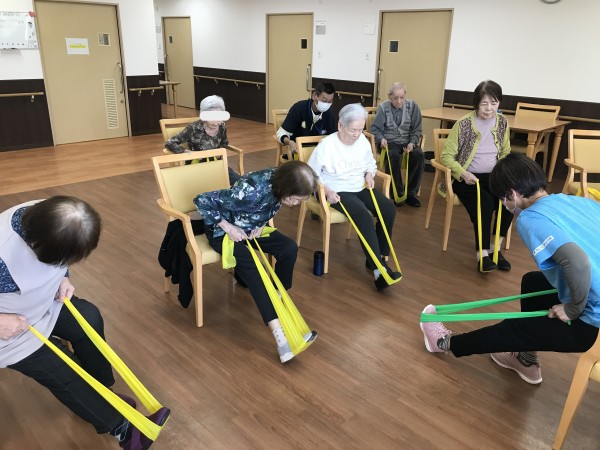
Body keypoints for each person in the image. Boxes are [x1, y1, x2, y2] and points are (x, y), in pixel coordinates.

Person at [0, 196, 170, 449]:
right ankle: (126, 432)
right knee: (59, 367)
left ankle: (102, 393)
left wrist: (63, 278)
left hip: (43, 302)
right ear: (38, 245)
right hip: (11, 328)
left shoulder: (57, 215)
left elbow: (59, 257)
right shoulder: (4, 252)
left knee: (89, 318)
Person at [420, 153, 600, 385]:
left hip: (590, 320)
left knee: (515, 329)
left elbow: (578, 262)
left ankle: (444, 343)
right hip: (592, 294)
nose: (505, 205)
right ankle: (526, 359)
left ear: (512, 194)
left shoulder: (530, 218)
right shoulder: (577, 200)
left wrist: (573, 309)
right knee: (533, 282)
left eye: (502, 198)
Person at [193, 161, 319, 363]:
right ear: (285, 189)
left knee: (288, 248)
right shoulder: (250, 190)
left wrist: (261, 222)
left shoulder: (281, 181)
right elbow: (201, 200)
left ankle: (277, 298)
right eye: (295, 199)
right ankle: (282, 340)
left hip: (251, 229)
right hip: (223, 233)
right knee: (255, 268)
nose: (296, 204)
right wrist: (228, 227)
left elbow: (269, 205)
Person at [307, 103, 401, 291]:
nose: (357, 134)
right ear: (340, 125)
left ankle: (378, 257)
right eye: (353, 130)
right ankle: (379, 271)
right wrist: (327, 191)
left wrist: (369, 174)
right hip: (337, 190)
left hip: (360, 186)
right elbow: (311, 173)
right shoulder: (327, 145)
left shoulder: (362, 141)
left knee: (388, 208)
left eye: (360, 130)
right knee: (363, 215)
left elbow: (370, 163)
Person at [439, 80, 514, 273]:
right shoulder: (463, 124)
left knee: (509, 200)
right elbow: (446, 156)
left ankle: (496, 249)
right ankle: (482, 254)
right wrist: (463, 173)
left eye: (494, 103)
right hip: (466, 177)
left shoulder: (502, 122)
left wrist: (503, 172)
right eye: (484, 103)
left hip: (494, 177)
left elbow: (505, 151)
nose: (489, 108)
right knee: (485, 203)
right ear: (476, 103)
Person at [370, 82, 425, 207]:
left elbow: (417, 129)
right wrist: (381, 139)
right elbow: (375, 129)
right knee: (393, 156)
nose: (399, 101)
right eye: (395, 98)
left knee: (419, 155)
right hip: (389, 142)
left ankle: (411, 193)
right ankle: (397, 193)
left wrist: (412, 142)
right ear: (389, 97)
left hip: (407, 141)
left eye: (402, 98)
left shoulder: (413, 106)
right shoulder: (383, 107)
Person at [164, 94, 240, 185]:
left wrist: (219, 153)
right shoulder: (193, 128)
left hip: (216, 164)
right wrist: (189, 153)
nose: (216, 123)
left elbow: (224, 143)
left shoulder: (222, 126)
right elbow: (170, 143)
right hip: (196, 166)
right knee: (210, 185)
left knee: (240, 181)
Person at [276, 82, 336, 157]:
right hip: (298, 152)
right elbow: (281, 133)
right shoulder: (299, 108)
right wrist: (290, 142)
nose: (326, 104)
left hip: (318, 153)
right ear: (314, 96)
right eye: (324, 101)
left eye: (330, 101)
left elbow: (332, 137)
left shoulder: (329, 114)